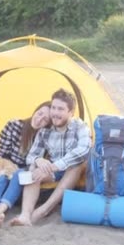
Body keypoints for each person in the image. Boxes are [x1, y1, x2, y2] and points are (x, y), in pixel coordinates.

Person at [11, 88, 92, 226]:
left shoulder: (80, 126)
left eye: (60, 109)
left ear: (70, 112)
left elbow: (83, 150)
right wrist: (38, 160)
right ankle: (25, 215)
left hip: (74, 170)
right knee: (35, 169)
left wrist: (54, 166)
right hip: (55, 171)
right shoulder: (45, 131)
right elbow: (31, 156)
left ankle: (43, 210)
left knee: (77, 163)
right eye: (53, 108)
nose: (55, 113)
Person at [0, 101, 51, 232]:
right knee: (0, 177)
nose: (39, 119)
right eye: (39, 113)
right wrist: (1, 168)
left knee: (20, 175)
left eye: (45, 119)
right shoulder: (14, 125)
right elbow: (2, 154)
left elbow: (33, 165)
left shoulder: (44, 138)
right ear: (35, 111)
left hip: (18, 173)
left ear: (47, 124)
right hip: (2, 165)